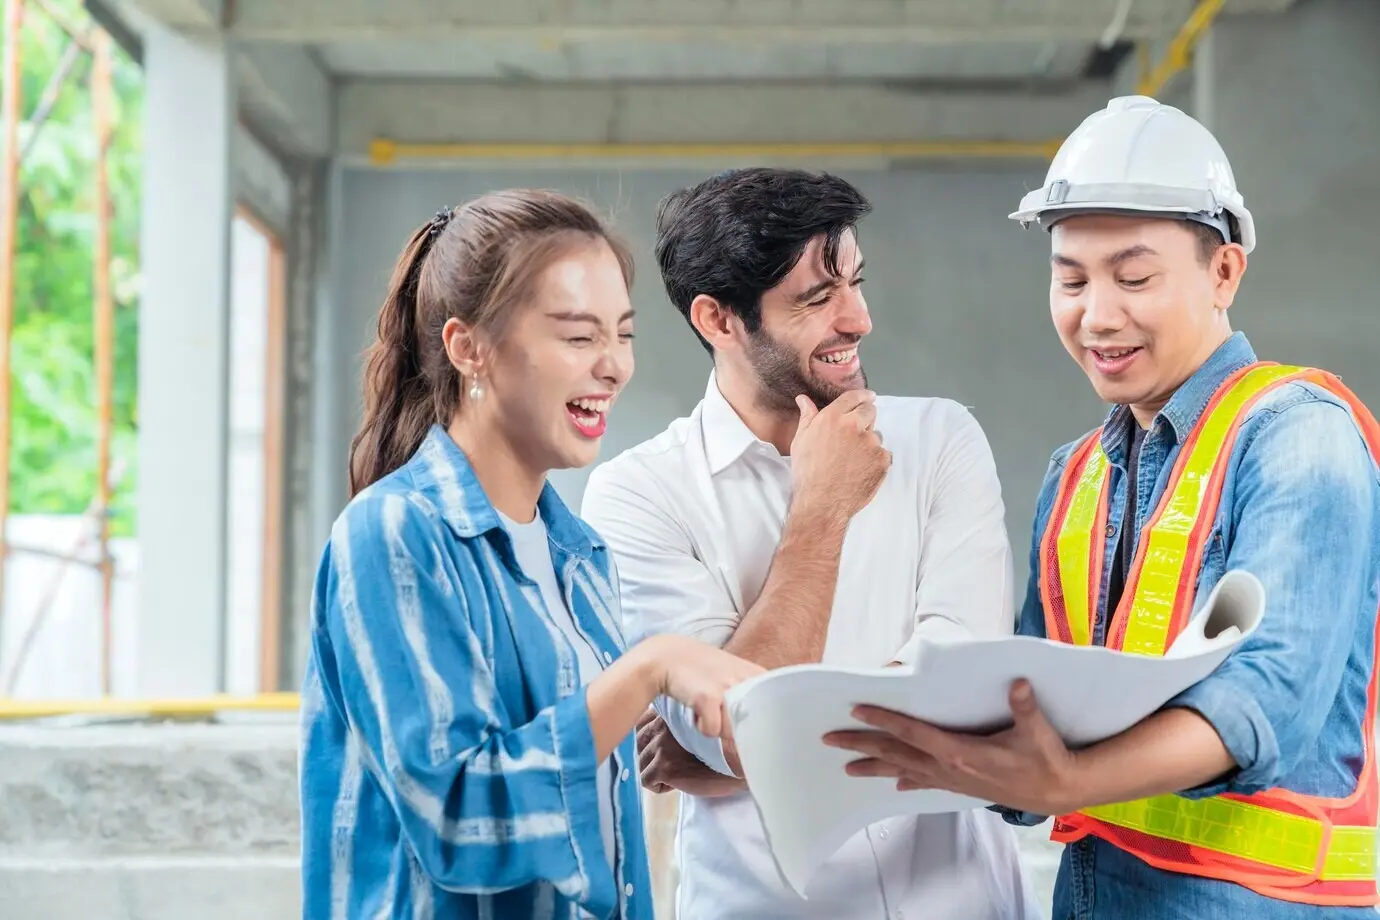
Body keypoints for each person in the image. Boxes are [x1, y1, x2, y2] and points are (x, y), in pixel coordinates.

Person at [822, 95, 1380, 917]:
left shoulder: (1299, 435)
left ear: (1224, 271)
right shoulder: (1077, 472)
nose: (1098, 315)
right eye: (1071, 279)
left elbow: (1267, 705)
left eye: (1135, 277)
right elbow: (1037, 699)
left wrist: (1066, 779)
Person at [579, 168, 1040, 920]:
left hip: (964, 904)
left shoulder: (941, 439)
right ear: (719, 320)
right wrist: (820, 511)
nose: (857, 319)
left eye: (855, 283)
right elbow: (738, 735)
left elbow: (967, 696)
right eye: (818, 298)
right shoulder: (637, 494)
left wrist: (754, 759)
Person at [296, 189, 764, 920]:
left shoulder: (581, 558)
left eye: (625, 334)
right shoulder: (392, 534)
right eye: (579, 337)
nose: (614, 366)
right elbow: (460, 822)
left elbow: (609, 851)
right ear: (468, 347)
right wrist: (649, 668)